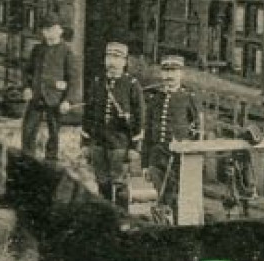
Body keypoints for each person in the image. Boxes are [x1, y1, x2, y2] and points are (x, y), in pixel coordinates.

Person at [81, 41, 144, 211]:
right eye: (109, 57)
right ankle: (105, 218)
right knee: (101, 183)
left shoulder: (132, 85)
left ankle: (122, 218)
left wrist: (134, 147)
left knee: (120, 186)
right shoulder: (97, 82)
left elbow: (140, 118)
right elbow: (89, 113)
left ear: (124, 62)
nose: (112, 62)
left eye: (116, 58)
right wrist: (85, 143)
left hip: (119, 144)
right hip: (98, 143)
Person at [142, 55, 202, 210]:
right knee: (158, 196)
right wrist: (144, 164)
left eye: (174, 71)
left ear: (181, 74)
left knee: (176, 196)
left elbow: (198, 130)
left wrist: (194, 158)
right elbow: (148, 132)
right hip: (156, 156)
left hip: (178, 158)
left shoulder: (188, 98)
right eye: (166, 71)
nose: (169, 76)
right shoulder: (155, 99)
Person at [20, 12, 79, 162]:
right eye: (45, 30)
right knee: (28, 131)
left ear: (60, 30)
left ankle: (51, 163)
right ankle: (27, 162)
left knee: (54, 133)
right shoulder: (37, 50)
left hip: (55, 100)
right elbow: (27, 72)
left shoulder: (66, 52)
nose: (49, 33)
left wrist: (68, 101)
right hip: (36, 97)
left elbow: (73, 79)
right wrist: (26, 87)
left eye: (52, 29)